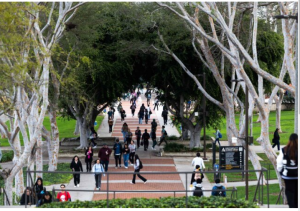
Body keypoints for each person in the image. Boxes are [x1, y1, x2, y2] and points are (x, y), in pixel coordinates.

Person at [276, 133, 298, 208]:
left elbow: (279, 163)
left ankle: (292, 207)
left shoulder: (284, 150)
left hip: (287, 176)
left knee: (290, 193)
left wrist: (281, 172)